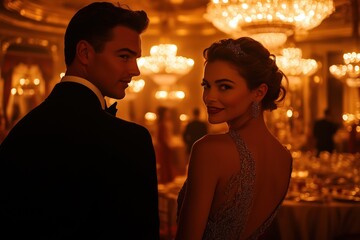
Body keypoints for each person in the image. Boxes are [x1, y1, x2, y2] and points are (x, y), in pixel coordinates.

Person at [0, 2, 159, 239]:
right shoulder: (130, 140)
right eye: (124, 56)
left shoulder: (21, 131)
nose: (135, 70)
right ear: (84, 53)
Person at [176, 37, 293, 240]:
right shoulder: (284, 157)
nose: (208, 97)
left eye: (224, 87)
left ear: (259, 92)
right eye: (206, 85)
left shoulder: (209, 150)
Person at [155, 106, 176, 184]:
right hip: (164, 147)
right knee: (164, 163)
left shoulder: (166, 123)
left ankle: (168, 178)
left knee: (168, 162)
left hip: (166, 146)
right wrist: (168, 145)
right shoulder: (161, 124)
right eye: (167, 112)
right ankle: (165, 179)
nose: (169, 114)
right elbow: (162, 138)